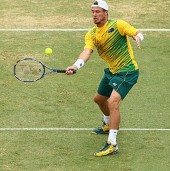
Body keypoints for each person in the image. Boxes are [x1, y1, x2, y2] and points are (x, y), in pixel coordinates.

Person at [65, 0, 144, 157]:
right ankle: (107, 125)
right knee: (99, 99)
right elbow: (87, 51)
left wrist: (137, 36)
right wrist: (76, 65)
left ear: (106, 13)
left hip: (127, 71)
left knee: (112, 102)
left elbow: (135, 32)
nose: (95, 15)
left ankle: (112, 144)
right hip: (112, 71)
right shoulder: (92, 34)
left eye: (98, 12)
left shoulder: (118, 25)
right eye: (93, 12)